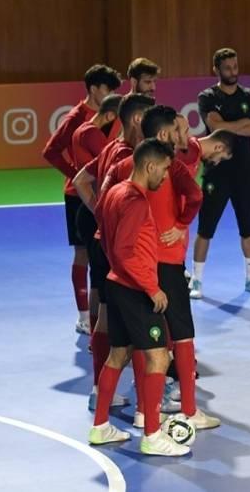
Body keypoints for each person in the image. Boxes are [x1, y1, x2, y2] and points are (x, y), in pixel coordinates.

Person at [100, 108, 235, 430]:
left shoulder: (126, 166)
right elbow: (197, 195)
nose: (183, 137)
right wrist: (180, 224)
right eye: (177, 130)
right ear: (163, 135)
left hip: (129, 268)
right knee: (183, 338)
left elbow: (104, 197)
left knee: (140, 344)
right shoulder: (170, 165)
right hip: (165, 264)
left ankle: (143, 412)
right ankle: (189, 411)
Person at [87, 138, 189, 456]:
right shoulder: (134, 200)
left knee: (118, 354)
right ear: (149, 166)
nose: (165, 176)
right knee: (158, 356)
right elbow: (124, 249)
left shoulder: (112, 193)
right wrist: (151, 287)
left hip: (116, 284)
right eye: (164, 169)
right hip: (135, 289)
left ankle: (101, 426)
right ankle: (153, 436)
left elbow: (103, 239)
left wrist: (119, 271)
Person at [73, 93, 154, 413]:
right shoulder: (129, 157)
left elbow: (82, 181)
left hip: (101, 238)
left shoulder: (110, 148)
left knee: (104, 313)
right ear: (137, 119)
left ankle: (99, 387)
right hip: (118, 245)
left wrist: (99, 212)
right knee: (130, 315)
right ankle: (146, 402)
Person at [42, 64, 122, 334]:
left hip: (105, 194)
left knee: (103, 254)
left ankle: (105, 315)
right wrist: (78, 174)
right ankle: (84, 316)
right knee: (83, 253)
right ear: (93, 89)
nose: (111, 93)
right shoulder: (77, 118)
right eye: (107, 88)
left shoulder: (113, 114)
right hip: (79, 195)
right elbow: (51, 151)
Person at [190, 48, 250, 299]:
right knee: (206, 228)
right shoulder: (207, 96)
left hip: (245, 172)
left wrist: (231, 127)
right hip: (216, 172)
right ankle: (196, 280)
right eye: (227, 68)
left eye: (235, 66)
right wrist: (244, 124)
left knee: (248, 227)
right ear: (216, 69)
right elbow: (215, 126)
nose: (232, 72)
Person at [72, 93, 123, 337]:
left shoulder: (86, 130)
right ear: (112, 115)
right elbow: (110, 162)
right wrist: (100, 211)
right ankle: (98, 334)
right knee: (100, 280)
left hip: (91, 209)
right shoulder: (93, 135)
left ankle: (96, 333)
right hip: (93, 211)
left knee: (98, 277)